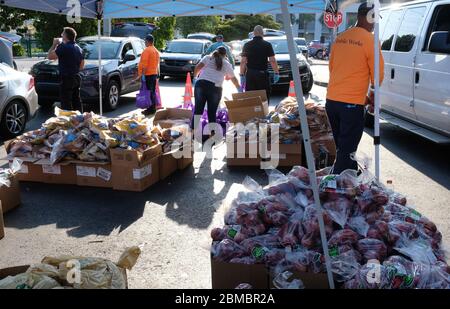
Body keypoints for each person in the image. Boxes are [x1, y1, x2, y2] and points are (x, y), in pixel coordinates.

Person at [326, 2, 385, 174]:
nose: (375, 24)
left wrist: (363, 96)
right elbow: (377, 73)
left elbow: (333, 68)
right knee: (347, 149)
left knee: (342, 147)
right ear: (369, 17)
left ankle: (351, 174)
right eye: (374, 19)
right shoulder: (370, 40)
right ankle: (337, 185)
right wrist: (372, 93)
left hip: (332, 101)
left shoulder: (341, 37)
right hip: (350, 105)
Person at [191, 46, 240, 138]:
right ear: (225, 55)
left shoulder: (207, 58)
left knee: (198, 110)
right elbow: (233, 78)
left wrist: (195, 77)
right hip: (215, 88)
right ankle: (211, 135)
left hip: (201, 85)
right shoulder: (226, 63)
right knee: (212, 112)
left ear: (215, 51)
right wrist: (239, 89)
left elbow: (198, 67)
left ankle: (192, 133)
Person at [47, 27, 85, 111]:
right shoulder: (79, 48)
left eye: (62, 33)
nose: (61, 35)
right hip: (76, 77)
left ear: (65, 36)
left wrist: (54, 44)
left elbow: (49, 56)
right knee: (76, 100)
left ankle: (68, 121)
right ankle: (79, 119)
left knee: (66, 101)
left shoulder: (63, 47)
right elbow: (82, 66)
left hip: (66, 78)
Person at [240, 25, 279, 100]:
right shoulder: (267, 45)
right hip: (262, 74)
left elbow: (243, 61)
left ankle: (253, 111)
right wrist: (276, 72)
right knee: (263, 97)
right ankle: (263, 111)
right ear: (263, 33)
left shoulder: (247, 45)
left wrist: (242, 74)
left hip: (250, 74)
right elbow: (272, 60)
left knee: (251, 97)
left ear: (253, 33)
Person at [137, 34, 160, 115]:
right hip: (153, 74)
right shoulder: (156, 51)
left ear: (148, 41)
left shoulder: (147, 50)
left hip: (148, 75)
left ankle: (150, 109)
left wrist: (142, 75)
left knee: (149, 92)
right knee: (152, 92)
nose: (145, 42)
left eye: (145, 41)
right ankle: (152, 108)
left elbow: (144, 64)